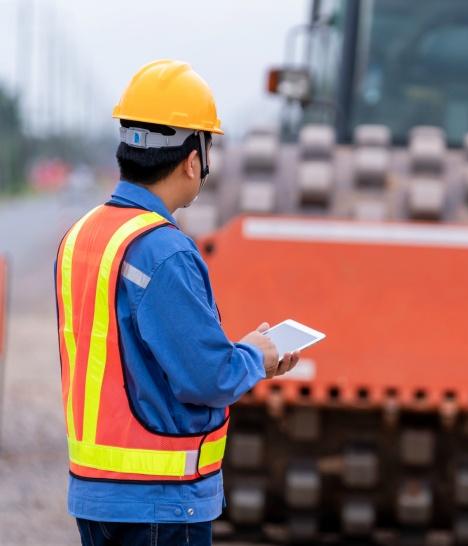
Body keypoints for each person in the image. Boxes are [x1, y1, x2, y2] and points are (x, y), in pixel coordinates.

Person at [54, 59, 298, 546]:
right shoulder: (163, 251)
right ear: (193, 159)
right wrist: (255, 355)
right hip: (160, 503)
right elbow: (206, 377)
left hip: (95, 497)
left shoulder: (82, 235)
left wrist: (243, 355)